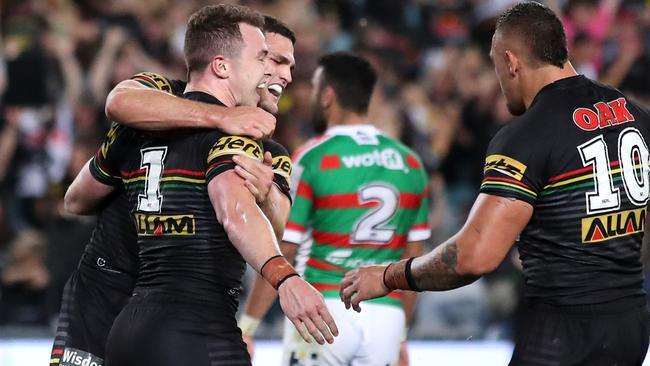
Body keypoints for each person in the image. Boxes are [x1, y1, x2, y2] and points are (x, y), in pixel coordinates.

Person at [340, 2, 650, 365]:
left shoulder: (525, 135)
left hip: (561, 332)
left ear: (511, 61)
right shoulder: (633, 113)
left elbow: (473, 257)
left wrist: (392, 275)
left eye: (495, 65)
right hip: (631, 325)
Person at [63, 5, 337, 366]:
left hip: (130, 323)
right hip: (185, 323)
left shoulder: (140, 125)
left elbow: (77, 198)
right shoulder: (224, 129)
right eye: (266, 59)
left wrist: (267, 193)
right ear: (222, 64)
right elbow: (233, 210)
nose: (280, 74)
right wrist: (285, 279)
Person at [239, 52, 429, 366]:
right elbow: (413, 260)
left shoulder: (312, 157)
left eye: (315, 89)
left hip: (322, 307)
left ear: (327, 95)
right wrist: (401, 334)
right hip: (386, 313)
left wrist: (247, 326)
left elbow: (286, 249)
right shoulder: (409, 163)